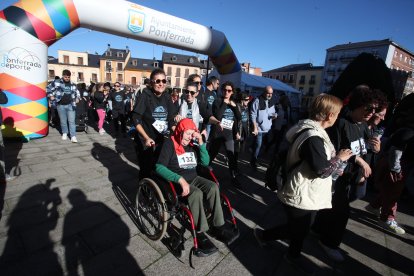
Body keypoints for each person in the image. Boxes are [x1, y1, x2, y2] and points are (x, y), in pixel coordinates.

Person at [254, 94, 353, 274]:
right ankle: (266, 237)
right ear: (330, 115)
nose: (338, 117)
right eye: (337, 113)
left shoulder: (313, 132)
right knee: (298, 228)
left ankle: (291, 254)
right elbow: (321, 170)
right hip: (301, 192)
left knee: (300, 229)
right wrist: (340, 158)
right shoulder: (313, 137)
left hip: (308, 192)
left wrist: (338, 161)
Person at [311, 85, 387, 262]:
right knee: (341, 213)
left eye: (375, 109)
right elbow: (336, 150)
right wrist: (358, 160)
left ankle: (317, 230)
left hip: (350, 178)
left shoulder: (364, 126)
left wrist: (375, 149)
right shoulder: (342, 123)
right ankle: (328, 243)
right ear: (358, 104)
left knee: (332, 209)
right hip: (338, 177)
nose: (372, 112)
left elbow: (364, 149)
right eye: (368, 108)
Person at [155, 118, 238, 256]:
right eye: (187, 134)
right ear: (180, 132)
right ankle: (200, 231)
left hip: (194, 177)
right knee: (197, 194)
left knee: (213, 187)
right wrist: (179, 179)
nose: (189, 137)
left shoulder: (192, 144)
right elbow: (159, 167)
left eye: (192, 134)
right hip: (176, 182)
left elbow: (205, 162)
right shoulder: (169, 143)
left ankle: (218, 225)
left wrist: (201, 143)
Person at [365, 127, 414, 234]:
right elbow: (395, 151)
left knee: (389, 190)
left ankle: (374, 206)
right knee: (392, 193)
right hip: (395, 165)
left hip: (399, 164)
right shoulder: (408, 132)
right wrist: (396, 170)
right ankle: (387, 219)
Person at [132, 68, 175, 180]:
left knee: (160, 166)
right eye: (158, 81)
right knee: (146, 168)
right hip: (146, 138)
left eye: (164, 81)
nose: (161, 84)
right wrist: (146, 138)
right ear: (151, 83)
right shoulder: (145, 96)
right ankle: (144, 191)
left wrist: (176, 131)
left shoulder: (167, 96)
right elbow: (135, 118)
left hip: (161, 137)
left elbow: (171, 118)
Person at [208, 81, 241, 186]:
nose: (226, 92)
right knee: (212, 154)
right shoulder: (217, 101)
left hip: (228, 134)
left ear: (232, 92)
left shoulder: (234, 103)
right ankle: (204, 171)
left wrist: (234, 107)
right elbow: (217, 115)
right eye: (224, 90)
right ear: (222, 91)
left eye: (229, 90)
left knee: (231, 156)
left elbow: (238, 118)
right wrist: (225, 103)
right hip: (217, 133)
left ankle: (234, 177)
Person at [47, 69, 80, 143]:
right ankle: (65, 133)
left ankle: (73, 136)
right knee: (63, 121)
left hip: (71, 105)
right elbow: (48, 88)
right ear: (63, 76)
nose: (67, 78)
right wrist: (51, 96)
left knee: (71, 121)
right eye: (66, 77)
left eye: (68, 77)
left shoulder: (73, 84)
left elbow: (77, 92)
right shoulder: (56, 82)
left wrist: (77, 98)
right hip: (60, 105)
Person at [250, 86, 277, 170]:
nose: (270, 95)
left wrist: (274, 115)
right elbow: (253, 115)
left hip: (268, 129)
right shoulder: (257, 101)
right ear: (264, 92)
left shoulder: (272, 101)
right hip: (259, 129)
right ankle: (253, 162)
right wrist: (255, 127)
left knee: (261, 146)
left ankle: (253, 153)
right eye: (268, 93)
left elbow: (272, 113)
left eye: (271, 93)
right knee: (258, 145)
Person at [234, 91, 251, 164]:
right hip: (238, 130)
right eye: (246, 100)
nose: (248, 101)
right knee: (236, 148)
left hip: (244, 130)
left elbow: (247, 119)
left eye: (249, 100)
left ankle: (234, 160)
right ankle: (233, 161)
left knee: (241, 148)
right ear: (242, 100)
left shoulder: (246, 107)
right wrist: (236, 132)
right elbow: (235, 121)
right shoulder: (237, 107)